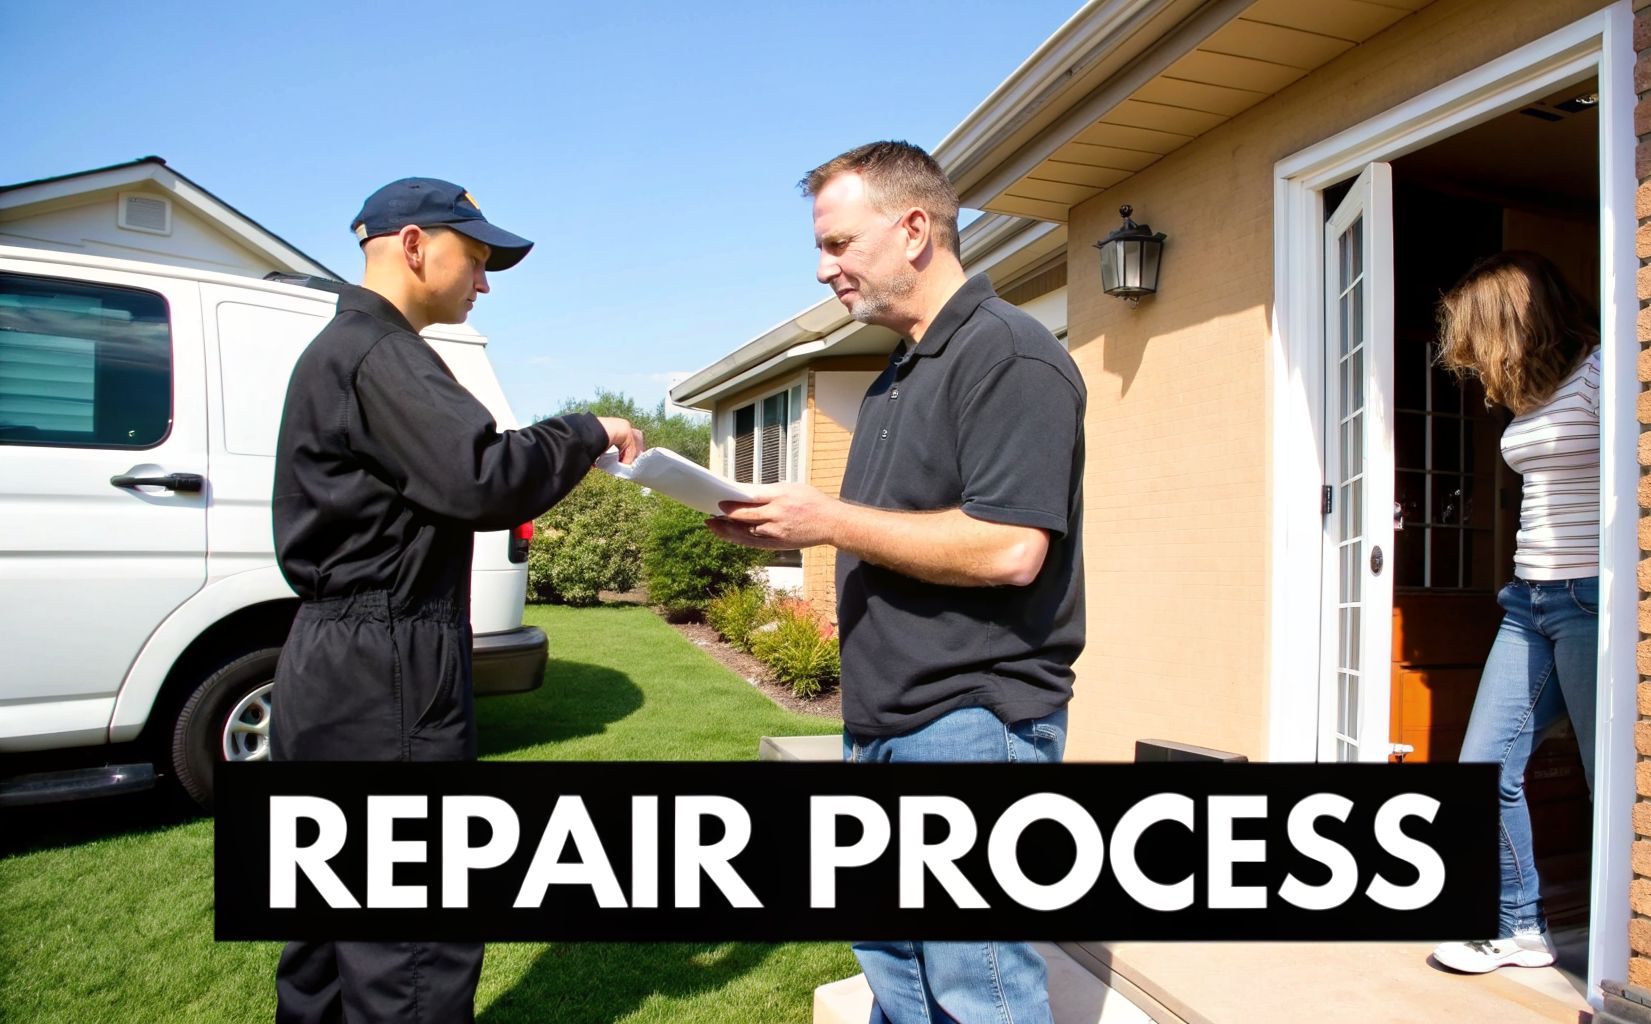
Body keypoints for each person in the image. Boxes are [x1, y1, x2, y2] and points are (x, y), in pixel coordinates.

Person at [709, 141, 1086, 1024]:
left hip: (972, 721)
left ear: (915, 229)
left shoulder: (1011, 357)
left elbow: (1011, 549)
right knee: (898, 976)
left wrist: (828, 520)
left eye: (839, 244)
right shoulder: (898, 373)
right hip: (883, 719)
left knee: (977, 985)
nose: (822, 267)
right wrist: (779, 519)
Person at [268, 177, 643, 1023]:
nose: (484, 282)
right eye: (474, 258)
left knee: (324, 926)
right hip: (386, 668)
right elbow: (482, 476)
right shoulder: (384, 354)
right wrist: (587, 431)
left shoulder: (338, 351)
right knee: (410, 945)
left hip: (325, 663)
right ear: (412, 246)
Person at [1428, 251, 1600, 974]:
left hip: (1590, 599)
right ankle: (1518, 926)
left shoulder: (1605, 375)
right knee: (1484, 768)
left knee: (1608, 775)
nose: (1473, 359)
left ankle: (1634, 946)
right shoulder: (1538, 395)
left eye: (1478, 337)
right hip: (1528, 601)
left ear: (1514, 322)